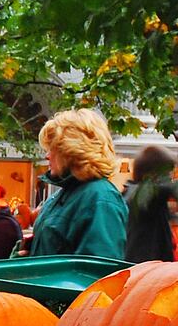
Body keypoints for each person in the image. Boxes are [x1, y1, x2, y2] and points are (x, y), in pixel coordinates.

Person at [27, 108, 128, 259]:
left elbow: (97, 272)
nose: (47, 156)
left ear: (71, 150)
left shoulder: (100, 198)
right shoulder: (64, 195)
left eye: (53, 148)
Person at [123, 146, 178, 263]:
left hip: (144, 261)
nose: (171, 179)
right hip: (144, 262)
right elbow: (172, 188)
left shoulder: (134, 193)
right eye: (168, 174)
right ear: (151, 176)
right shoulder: (144, 195)